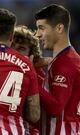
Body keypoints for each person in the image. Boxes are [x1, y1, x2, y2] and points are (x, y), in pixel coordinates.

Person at [35, 4, 80, 134]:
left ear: (59, 28)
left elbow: (56, 107)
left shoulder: (66, 63)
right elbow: (54, 91)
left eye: (41, 28)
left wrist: (30, 76)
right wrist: (37, 72)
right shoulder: (67, 58)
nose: (37, 34)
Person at [12, 25, 44, 135]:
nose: (15, 53)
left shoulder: (39, 76)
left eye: (21, 49)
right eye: (12, 47)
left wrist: (31, 75)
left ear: (32, 54)